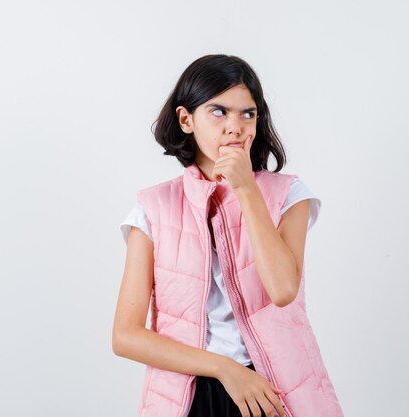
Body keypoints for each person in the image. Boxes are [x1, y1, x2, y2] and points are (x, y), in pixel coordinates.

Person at [113, 54, 344, 417]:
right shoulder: (153, 208)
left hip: (274, 393)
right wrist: (226, 370)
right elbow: (125, 336)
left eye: (247, 113)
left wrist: (246, 188)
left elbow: (283, 290)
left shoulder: (288, 196)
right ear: (186, 120)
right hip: (187, 395)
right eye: (219, 112)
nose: (236, 127)